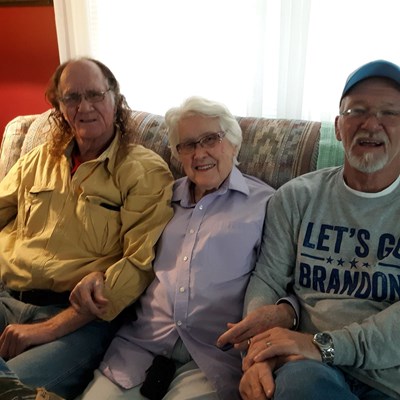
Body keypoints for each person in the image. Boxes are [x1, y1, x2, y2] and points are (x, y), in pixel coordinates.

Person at [72, 96, 296, 400]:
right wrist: (98, 273)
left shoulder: (267, 203)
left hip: (214, 359)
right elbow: (124, 250)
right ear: (178, 154)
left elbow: (283, 279)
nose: (199, 153)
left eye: (210, 139)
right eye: (187, 145)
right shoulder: (160, 197)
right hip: (139, 349)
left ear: (233, 143)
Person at [220, 59, 400, 400]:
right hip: (306, 369)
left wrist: (324, 346)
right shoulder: (296, 197)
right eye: (357, 111)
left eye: (389, 112)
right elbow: (268, 279)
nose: (371, 124)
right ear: (339, 126)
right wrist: (257, 356)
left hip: (387, 378)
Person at [0, 57, 174, 399]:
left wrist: (48, 330)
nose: (84, 107)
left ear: (115, 98)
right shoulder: (37, 160)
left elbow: (138, 266)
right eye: (72, 97)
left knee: (7, 390)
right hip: (7, 299)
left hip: (77, 322)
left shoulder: (143, 171)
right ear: (60, 107)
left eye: (95, 95)